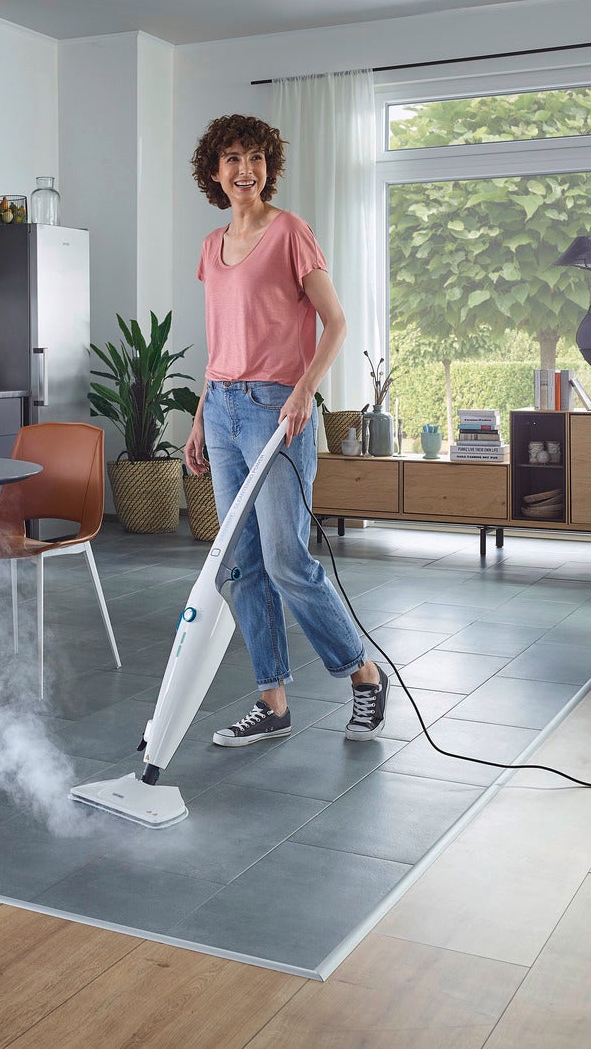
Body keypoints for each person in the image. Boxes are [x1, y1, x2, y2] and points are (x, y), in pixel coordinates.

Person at [184, 113, 385, 745]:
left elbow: (337, 322)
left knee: (284, 557)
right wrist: (199, 416)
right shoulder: (211, 248)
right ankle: (273, 703)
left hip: (279, 409)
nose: (245, 170)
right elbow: (220, 338)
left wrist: (303, 393)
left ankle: (363, 677)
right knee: (239, 563)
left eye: (255, 159)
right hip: (222, 409)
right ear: (214, 173)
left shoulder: (290, 232)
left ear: (270, 167)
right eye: (232, 160)